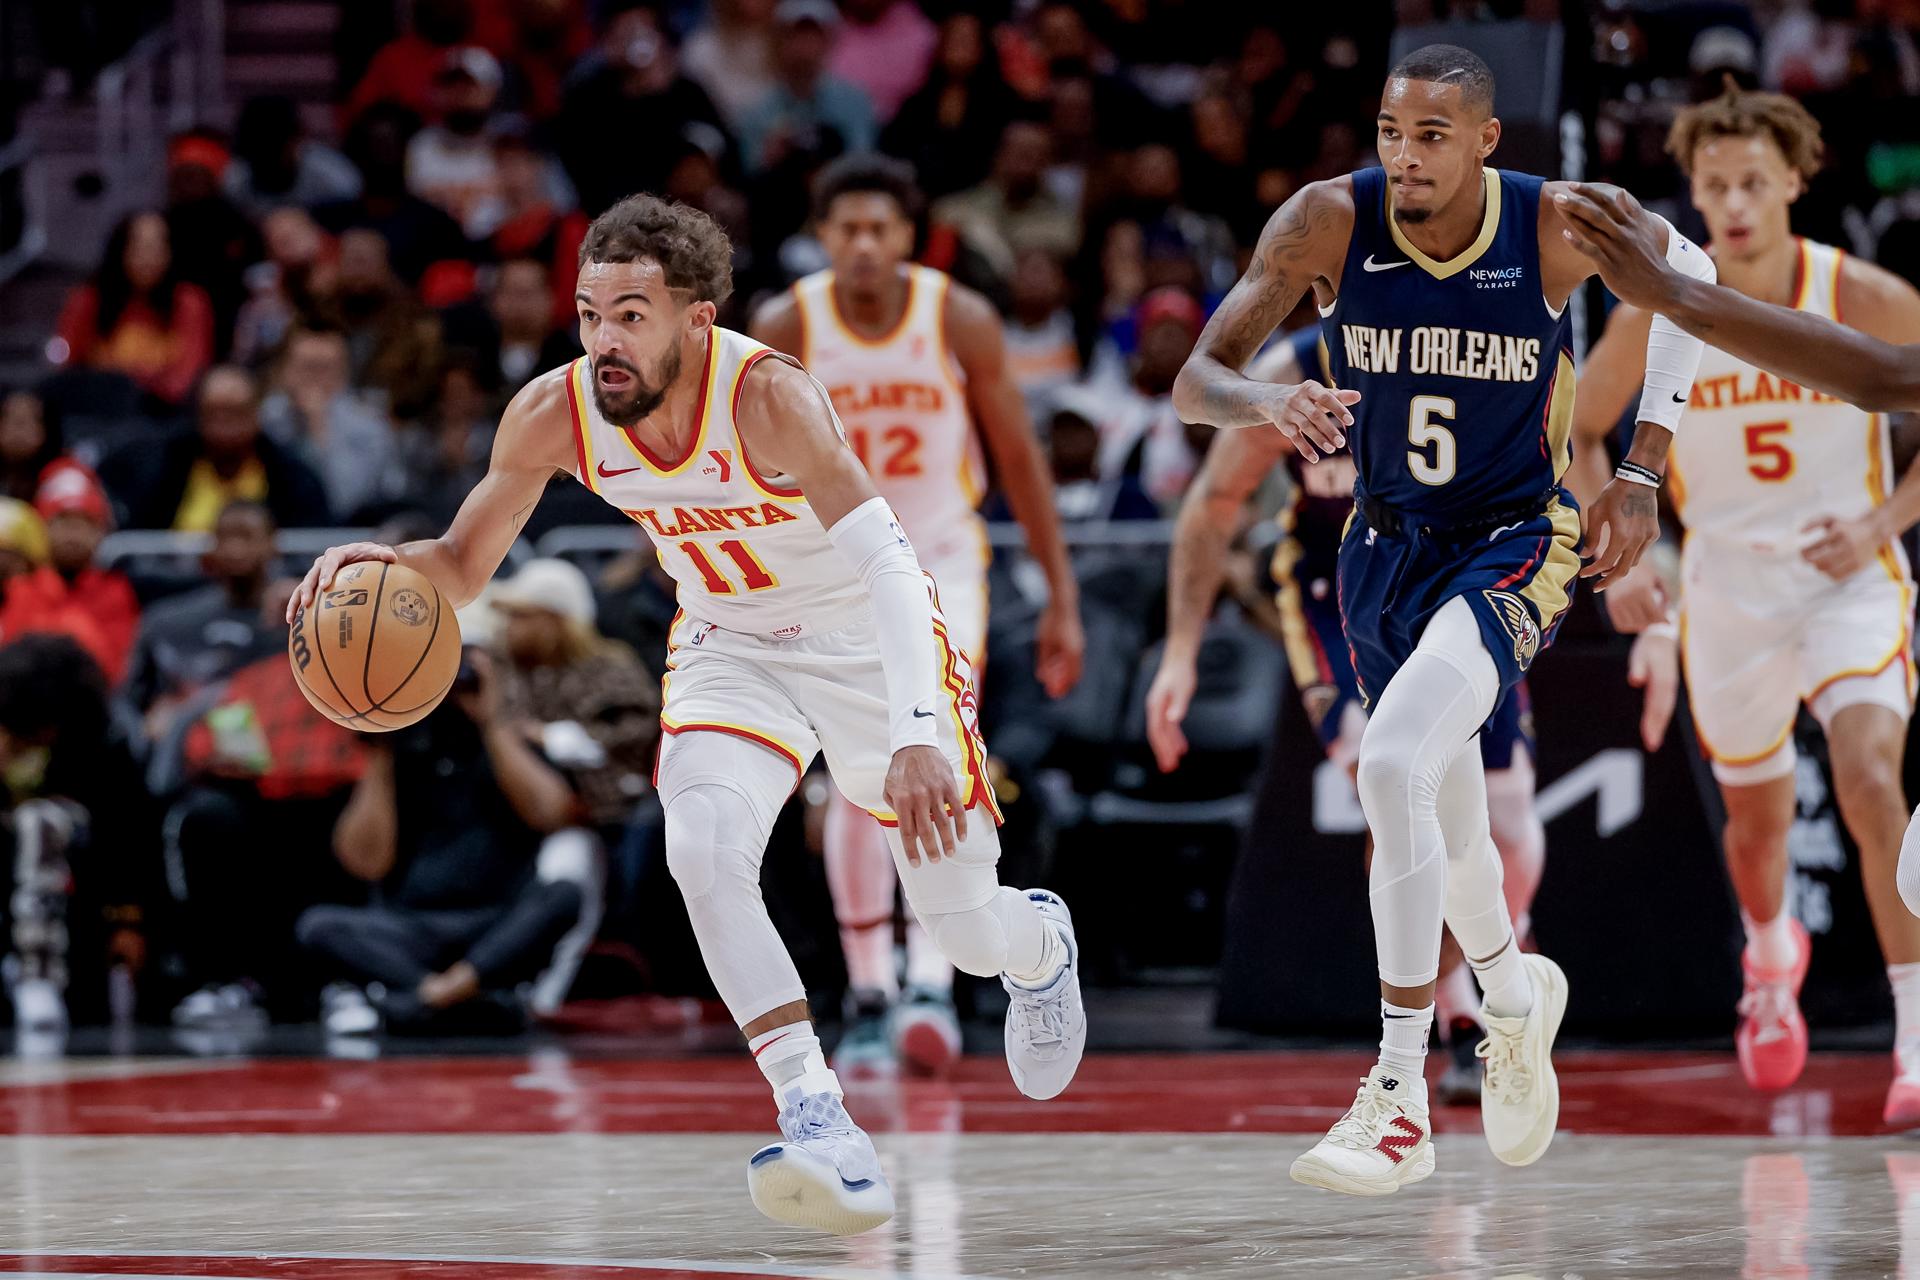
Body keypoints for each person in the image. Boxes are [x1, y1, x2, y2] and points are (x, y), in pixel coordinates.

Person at [289, 193, 1086, 1235]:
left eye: (631, 314)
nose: (603, 340)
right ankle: (818, 1113)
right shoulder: (553, 411)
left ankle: (1038, 949)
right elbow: (463, 564)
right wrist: (377, 562)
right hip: (731, 644)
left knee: (962, 926)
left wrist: (916, 737)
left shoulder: (770, 395)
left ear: (696, 320)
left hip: (862, 638)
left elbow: (894, 564)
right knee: (702, 847)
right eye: (588, 314)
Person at [1168, 45, 1714, 1196]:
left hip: (1517, 538)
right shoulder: (1326, 222)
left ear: (1483, 141)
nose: (1404, 157)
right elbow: (1196, 378)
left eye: (1429, 135)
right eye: (1389, 131)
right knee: (1449, 821)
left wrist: (1646, 470)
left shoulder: (1557, 224)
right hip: (1382, 552)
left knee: (1395, 759)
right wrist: (1271, 397)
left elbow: (1691, 272)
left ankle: (1399, 1088)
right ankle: (1515, 998)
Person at [1566, 86, 1920, 1123]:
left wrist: (1886, 521)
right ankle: (1772, 958)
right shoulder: (1665, 301)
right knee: (1757, 833)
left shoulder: (1862, 292)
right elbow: (1580, 427)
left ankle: (1914, 1034)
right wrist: (1629, 550)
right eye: (1713, 184)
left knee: (1867, 778)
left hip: (1848, 575)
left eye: (1752, 183)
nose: (1730, 202)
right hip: (1724, 584)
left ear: (1795, 184)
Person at [1148, 326, 1549, 1104]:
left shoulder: (1466, 335)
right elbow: (1217, 496)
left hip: (1459, 575)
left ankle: (1498, 962)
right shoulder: (1297, 368)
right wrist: (1180, 650)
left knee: (1506, 807)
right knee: (1392, 779)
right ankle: (1458, 1019)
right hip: (1345, 599)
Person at [750, 154, 1084, 1078]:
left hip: (939, 568)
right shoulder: (787, 324)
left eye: (880, 228)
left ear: (908, 236)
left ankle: (932, 977)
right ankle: (869, 992)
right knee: (856, 784)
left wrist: (1060, 596)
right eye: (846, 228)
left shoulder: (958, 317)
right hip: (830, 577)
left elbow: (1020, 460)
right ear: (823, 237)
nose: (863, 245)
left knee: (929, 751)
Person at [296, 649, 590, 1037]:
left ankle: (429, 1000)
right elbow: (365, 862)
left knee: (564, 894)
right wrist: (382, 738)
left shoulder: (507, 742)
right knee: (318, 925)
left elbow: (554, 814)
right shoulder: (402, 748)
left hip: (494, 924)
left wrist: (493, 723)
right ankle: (460, 999)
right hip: (414, 925)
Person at [97, 366, 331, 532]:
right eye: (214, 413)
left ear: (256, 415)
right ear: (198, 416)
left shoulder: (291, 476)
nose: (225, 424)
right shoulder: (161, 467)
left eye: (235, 412)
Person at [53, 212, 215, 408]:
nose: (148, 257)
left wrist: (146, 393)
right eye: (139, 247)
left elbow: (191, 369)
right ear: (120, 249)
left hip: (164, 413)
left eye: (157, 247)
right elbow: (66, 363)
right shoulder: (87, 300)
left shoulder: (190, 302)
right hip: (98, 410)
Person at [260, 325, 402, 522]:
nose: (315, 380)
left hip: (344, 535)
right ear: (285, 370)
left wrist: (318, 427)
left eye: (325, 369)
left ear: (344, 374)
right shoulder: (264, 418)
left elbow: (344, 502)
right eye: (308, 367)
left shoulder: (369, 427)